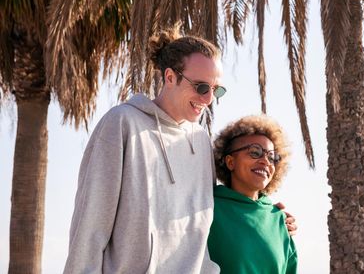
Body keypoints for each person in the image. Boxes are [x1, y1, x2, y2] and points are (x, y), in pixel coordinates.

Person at [63, 26, 296, 273]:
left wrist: (269, 216)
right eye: (201, 87)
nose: (208, 100)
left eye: (215, 90)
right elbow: (91, 223)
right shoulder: (122, 123)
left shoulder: (200, 140)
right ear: (170, 77)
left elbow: (212, 210)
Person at [207, 115, 298, 274]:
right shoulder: (207, 208)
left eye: (272, 157)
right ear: (230, 162)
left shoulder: (279, 220)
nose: (265, 161)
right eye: (255, 152)